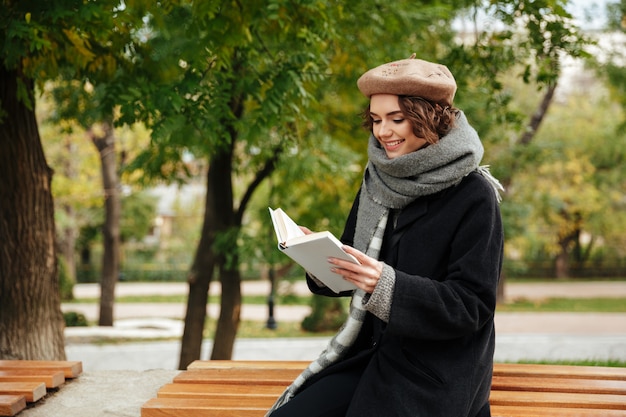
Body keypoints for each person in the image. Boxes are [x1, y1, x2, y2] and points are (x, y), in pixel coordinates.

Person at [266, 54, 504, 417]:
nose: (383, 132)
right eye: (376, 120)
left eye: (397, 119)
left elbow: (472, 305)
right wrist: (314, 255)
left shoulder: (474, 194)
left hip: (434, 373)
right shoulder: (377, 181)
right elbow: (351, 269)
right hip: (371, 355)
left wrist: (387, 287)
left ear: (430, 118)